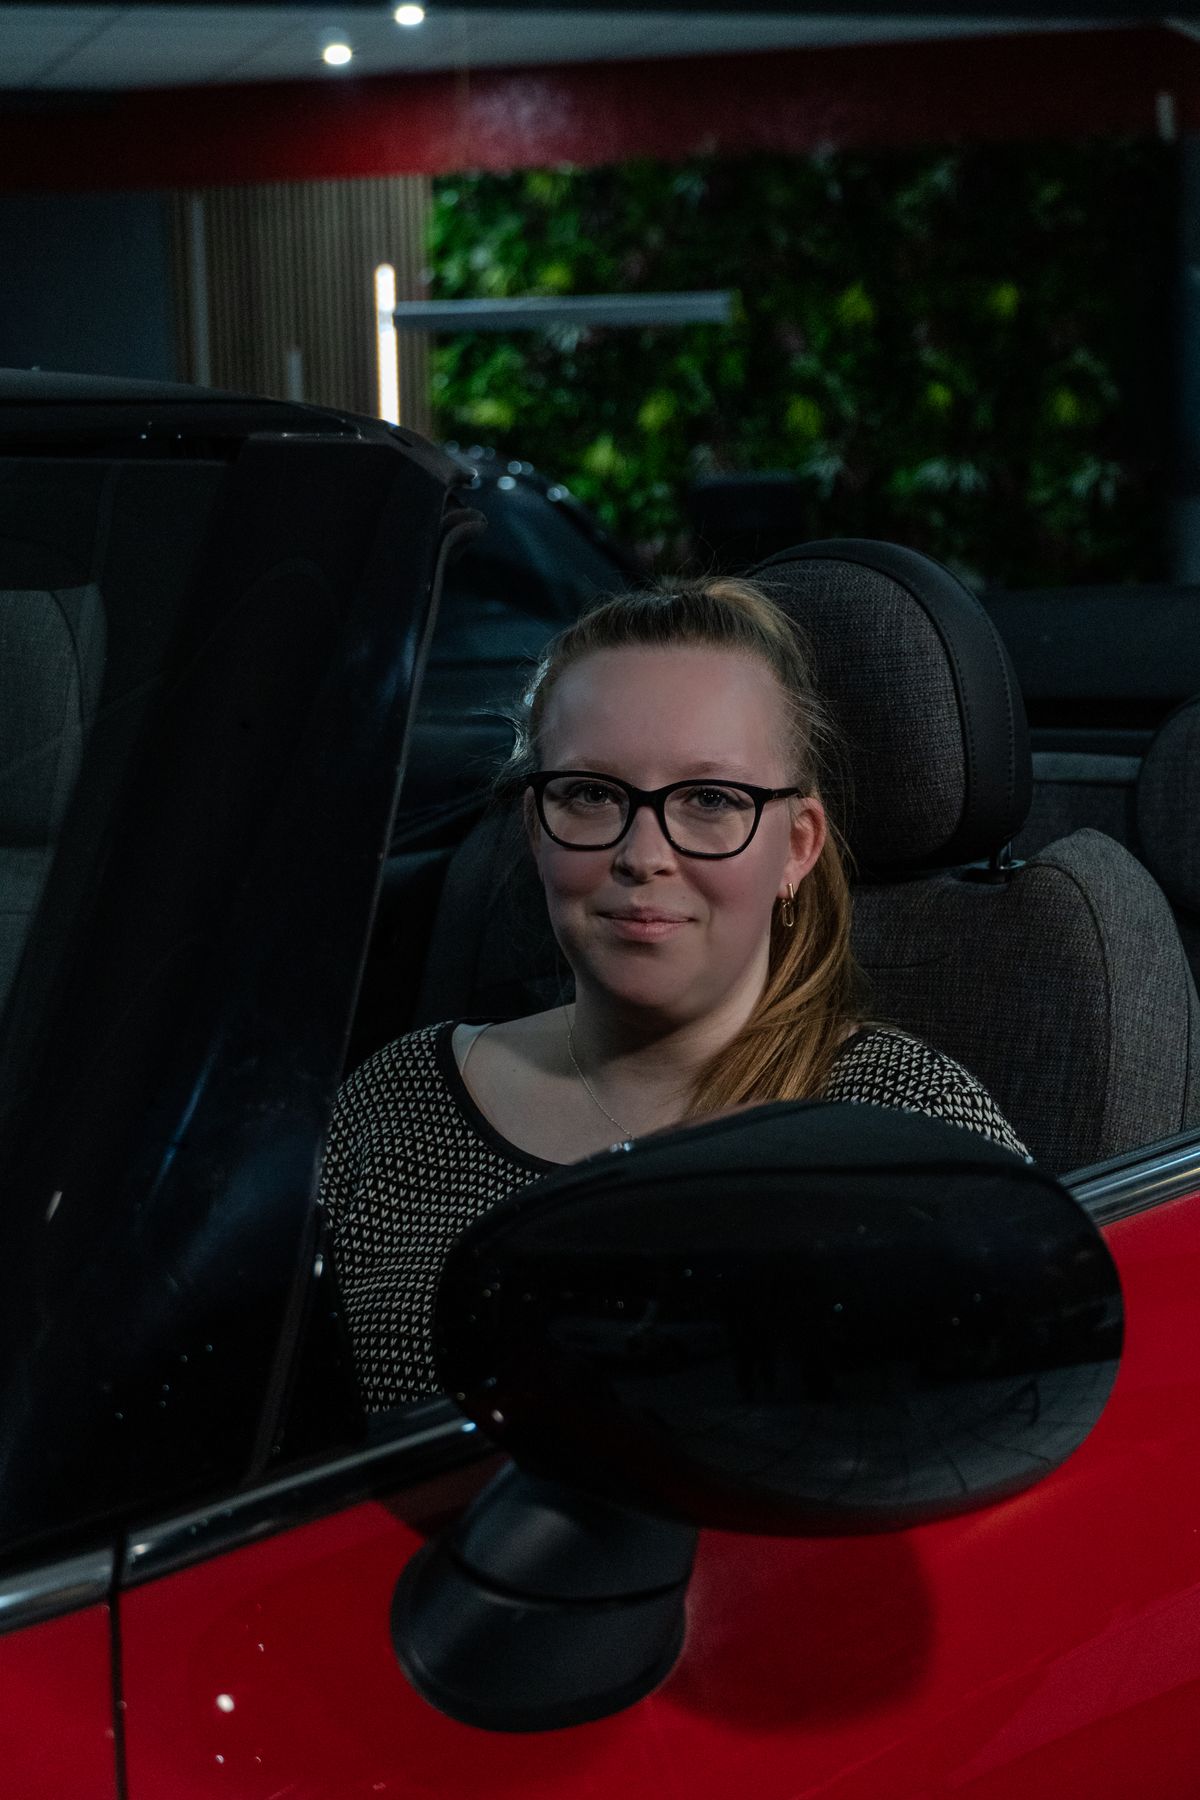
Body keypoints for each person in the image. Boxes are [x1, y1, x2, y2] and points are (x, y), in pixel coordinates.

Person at [319, 576, 1027, 1411]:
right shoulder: (394, 1100)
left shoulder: (912, 1127)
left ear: (798, 847)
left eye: (710, 799)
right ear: (536, 827)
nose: (643, 854)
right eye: (591, 794)